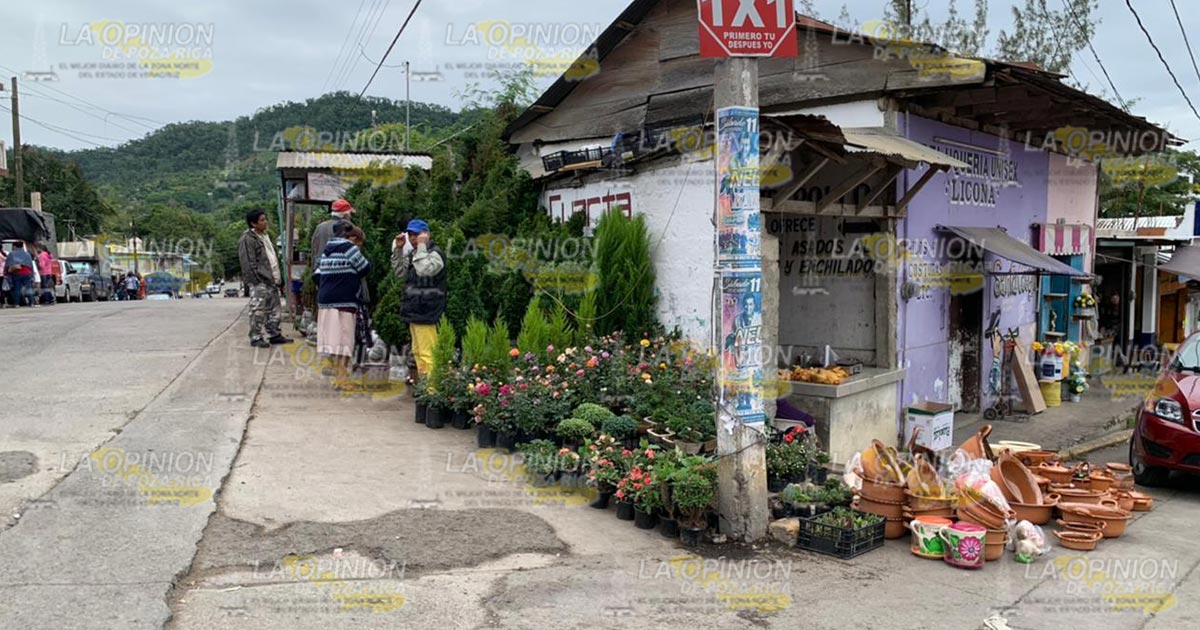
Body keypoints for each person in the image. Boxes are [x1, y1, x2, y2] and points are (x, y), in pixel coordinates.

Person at [391, 219, 447, 379]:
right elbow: (399, 273)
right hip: (414, 310)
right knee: (417, 352)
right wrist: (398, 251)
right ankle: (425, 386)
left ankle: (432, 389)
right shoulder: (413, 254)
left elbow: (424, 270)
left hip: (427, 312)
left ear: (426, 235)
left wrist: (422, 246)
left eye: (416, 234)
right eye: (410, 234)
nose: (412, 238)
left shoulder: (435, 254)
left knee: (428, 353)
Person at [317, 221, 371, 387]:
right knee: (345, 341)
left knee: (334, 341)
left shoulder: (326, 251)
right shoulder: (349, 248)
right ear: (353, 237)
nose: (360, 245)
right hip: (344, 302)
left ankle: (339, 377)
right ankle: (342, 379)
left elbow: (316, 275)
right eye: (359, 241)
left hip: (326, 301)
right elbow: (365, 268)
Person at [238, 209, 291, 348]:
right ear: (253, 223)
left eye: (265, 219)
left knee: (274, 309)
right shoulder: (248, 239)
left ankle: (274, 334)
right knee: (258, 310)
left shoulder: (266, 236)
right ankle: (256, 337)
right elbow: (248, 262)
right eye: (262, 220)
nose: (265, 222)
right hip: (260, 280)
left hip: (272, 279)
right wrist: (257, 281)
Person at [4, 242, 36, 307]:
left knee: (17, 288)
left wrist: (6, 273)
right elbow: (30, 265)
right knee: (28, 288)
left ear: (15, 246)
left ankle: (17, 303)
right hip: (27, 272)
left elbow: (7, 264)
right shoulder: (27, 254)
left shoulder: (12, 254)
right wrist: (32, 275)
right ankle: (31, 302)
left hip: (17, 272)